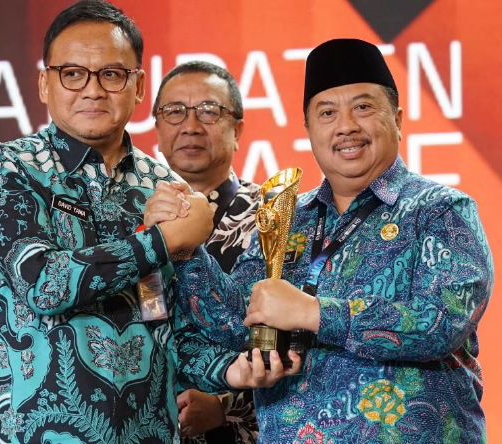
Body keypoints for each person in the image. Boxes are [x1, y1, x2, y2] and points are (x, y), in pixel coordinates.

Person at [0, 2, 287, 443]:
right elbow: (44, 284)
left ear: (138, 87)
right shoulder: (5, 167)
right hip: (31, 431)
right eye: (73, 73)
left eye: (112, 74)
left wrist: (230, 369)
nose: (93, 90)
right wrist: (163, 240)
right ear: (43, 84)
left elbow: (164, 322)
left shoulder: (163, 185)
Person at [172, 38, 494, 443]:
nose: (346, 126)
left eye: (363, 107)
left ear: (397, 119)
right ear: (309, 129)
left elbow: (442, 322)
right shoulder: (286, 219)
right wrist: (186, 248)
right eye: (327, 112)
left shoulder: (439, 209)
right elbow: (233, 324)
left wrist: (315, 313)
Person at [153, 61, 259, 444]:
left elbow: (287, 343)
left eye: (209, 111)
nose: (191, 126)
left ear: (238, 130)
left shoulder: (275, 218)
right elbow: (143, 319)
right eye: (175, 112)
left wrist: (225, 405)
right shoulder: (139, 220)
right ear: (157, 128)